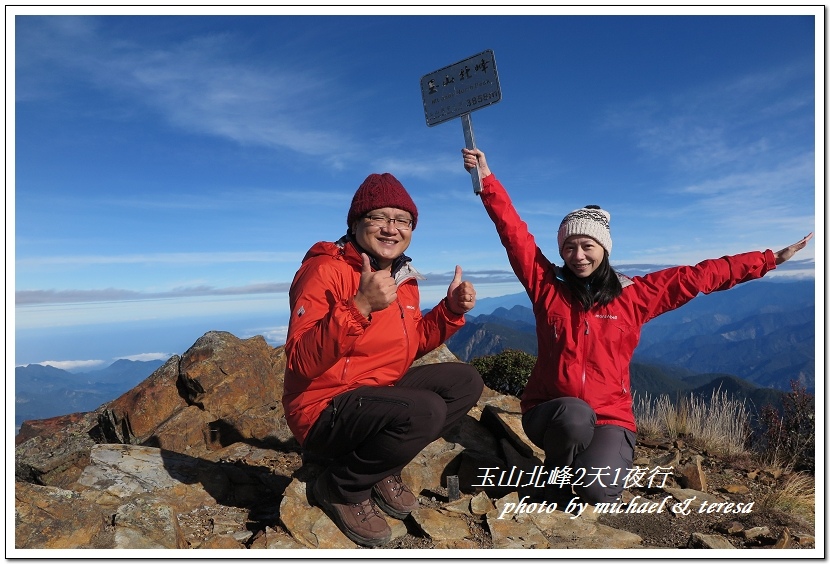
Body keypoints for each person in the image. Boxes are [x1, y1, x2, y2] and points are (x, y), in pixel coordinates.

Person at [462, 147, 813, 506]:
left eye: (587, 246)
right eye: (569, 247)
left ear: (604, 248)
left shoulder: (634, 296)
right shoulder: (546, 286)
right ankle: (554, 475)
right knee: (574, 417)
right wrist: (486, 180)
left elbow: (700, 276)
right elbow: (514, 232)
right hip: (550, 413)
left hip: (611, 415)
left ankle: (584, 467)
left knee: (599, 492)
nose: (578, 255)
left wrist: (768, 260)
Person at [281, 172, 484, 547]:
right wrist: (359, 307)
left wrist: (450, 311)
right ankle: (342, 486)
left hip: (373, 395)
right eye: (380, 217)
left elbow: (410, 343)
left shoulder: (402, 276)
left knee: (466, 381)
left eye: (403, 220)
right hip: (323, 410)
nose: (392, 228)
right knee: (423, 410)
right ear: (356, 223)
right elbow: (300, 361)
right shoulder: (326, 270)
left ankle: (379, 465)